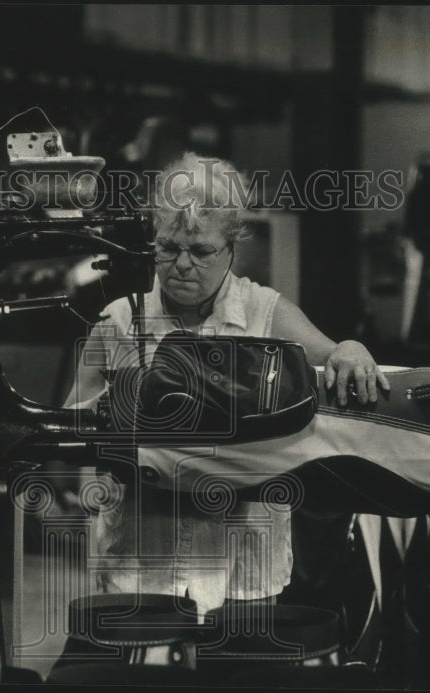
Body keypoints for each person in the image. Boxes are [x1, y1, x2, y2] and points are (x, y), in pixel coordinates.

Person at [64, 153, 390, 616]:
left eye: (200, 252)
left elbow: (334, 354)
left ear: (232, 246)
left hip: (242, 564)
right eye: (167, 248)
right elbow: (74, 418)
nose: (181, 264)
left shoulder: (265, 313)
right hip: (139, 557)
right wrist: (89, 493)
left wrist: (353, 347)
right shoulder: (119, 320)